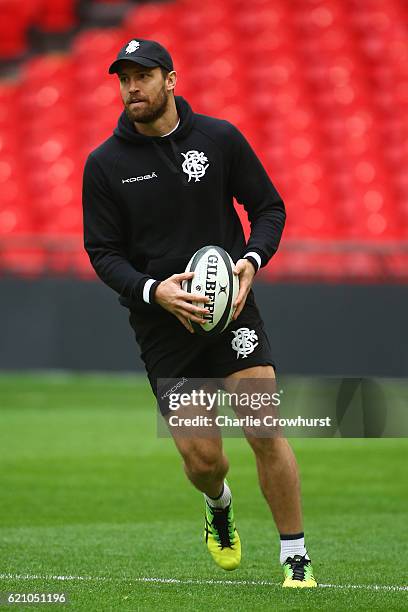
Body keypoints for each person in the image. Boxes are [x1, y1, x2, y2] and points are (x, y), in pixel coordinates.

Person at [82, 38, 317, 588]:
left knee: (264, 427)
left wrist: (251, 261)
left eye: (143, 75)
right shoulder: (104, 165)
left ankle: (295, 556)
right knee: (204, 459)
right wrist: (153, 292)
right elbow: (103, 252)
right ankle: (218, 506)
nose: (132, 86)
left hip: (231, 311)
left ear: (171, 79)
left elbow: (268, 208)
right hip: (164, 327)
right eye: (123, 78)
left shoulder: (219, 138)